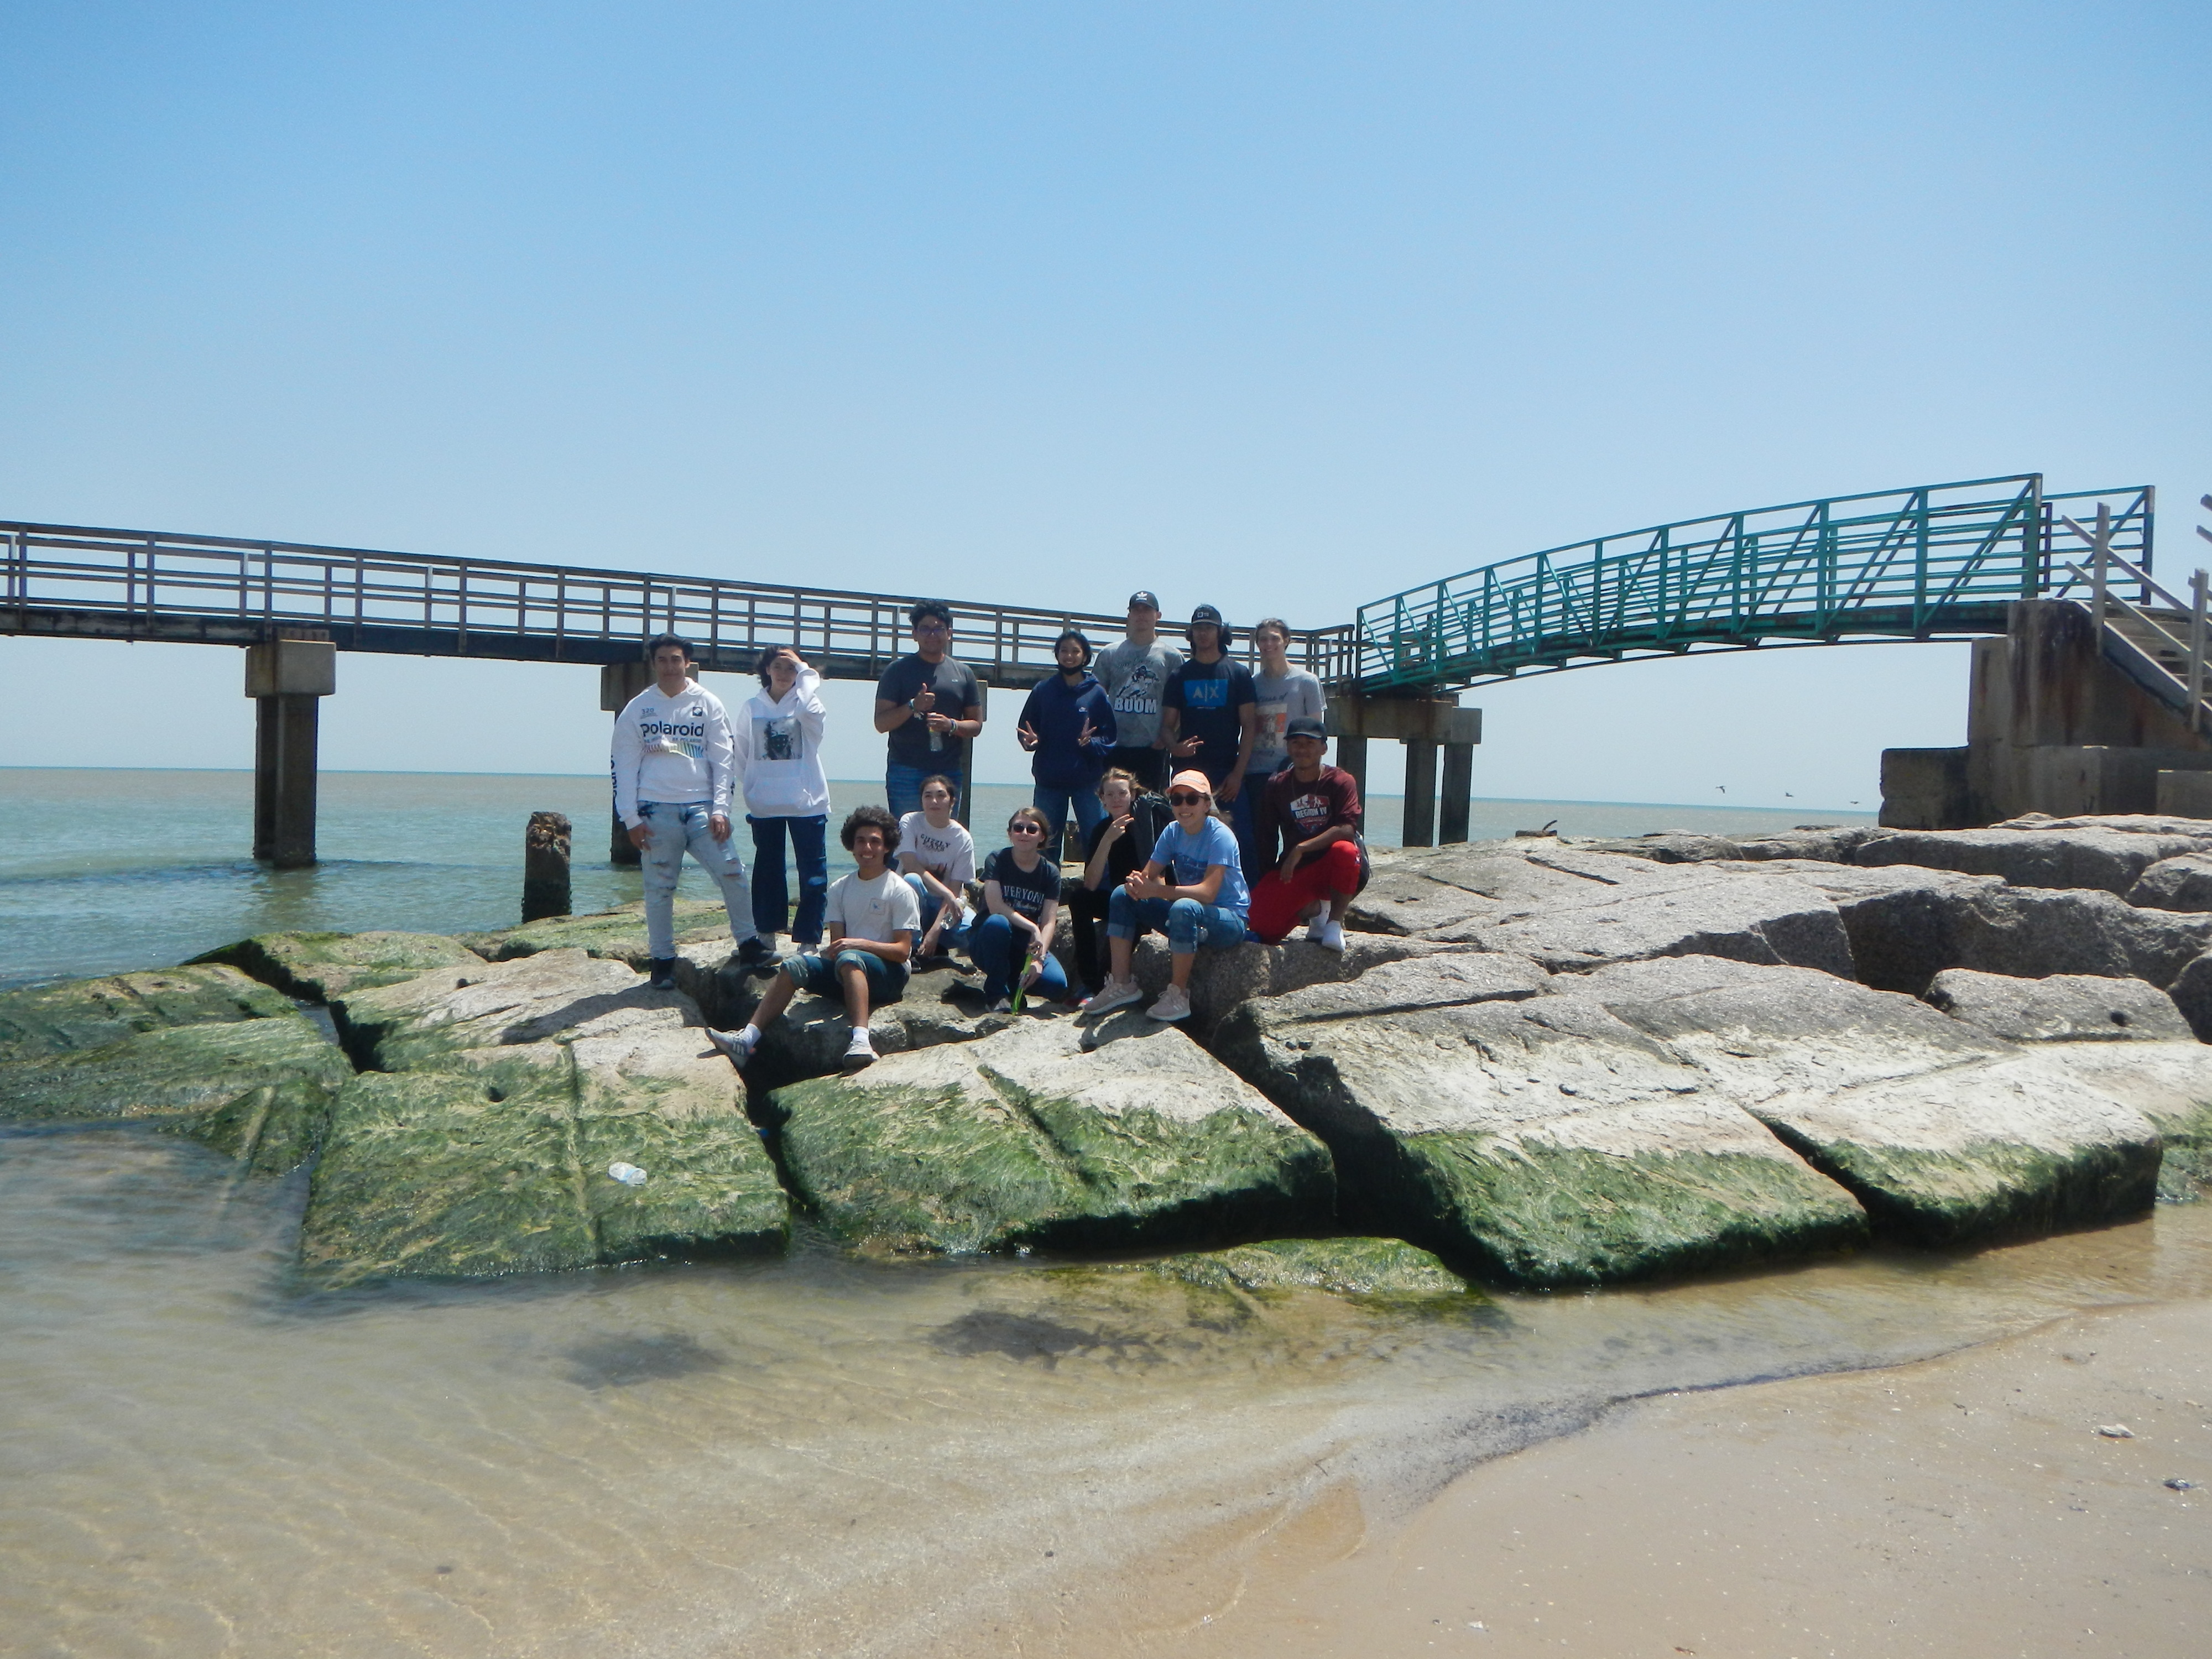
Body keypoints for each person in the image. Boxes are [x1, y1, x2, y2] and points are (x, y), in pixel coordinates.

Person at [611, 634, 772, 991]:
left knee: (732, 871)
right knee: (659, 889)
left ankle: (749, 945)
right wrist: (631, 820)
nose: (670, 666)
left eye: (676, 659)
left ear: (688, 663)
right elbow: (622, 767)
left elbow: (723, 760)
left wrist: (721, 808)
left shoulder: (709, 704)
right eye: (663, 660)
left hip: (702, 810)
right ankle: (663, 962)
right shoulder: (637, 709)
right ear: (654, 664)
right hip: (654, 812)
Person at [708, 805, 920, 1073]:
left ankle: (861, 1041)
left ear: (887, 847)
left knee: (851, 957)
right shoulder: (840, 888)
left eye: (875, 842)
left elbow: (902, 951)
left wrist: (858, 945)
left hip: (889, 975)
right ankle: (748, 1038)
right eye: (861, 841)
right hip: (848, 968)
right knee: (795, 964)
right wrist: (827, 959)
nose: (867, 848)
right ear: (851, 845)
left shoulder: (900, 890)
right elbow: (837, 945)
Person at [1083, 770, 1251, 1024]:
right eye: (1177, 800)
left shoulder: (1220, 836)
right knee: (1121, 895)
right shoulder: (1173, 831)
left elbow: (1208, 893)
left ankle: (1178, 995)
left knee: (1184, 907)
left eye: (1192, 799)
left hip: (1228, 920)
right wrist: (1137, 883)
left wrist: (1157, 891)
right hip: (1190, 915)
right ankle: (1122, 983)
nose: (1184, 806)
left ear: (1207, 804)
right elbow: (1149, 873)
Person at [733, 644, 830, 959]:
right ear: (766, 670)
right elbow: (742, 752)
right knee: (768, 870)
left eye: (792, 667)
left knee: (813, 873)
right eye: (779, 666)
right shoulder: (751, 706)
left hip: (807, 802)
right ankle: (767, 931)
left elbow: (806, 713)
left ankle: (809, 938)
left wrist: (806, 674)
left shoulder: (809, 703)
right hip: (765, 803)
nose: (785, 673)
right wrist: (753, 788)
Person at [1248, 717, 1367, 951]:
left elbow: (1346, 829)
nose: (1302, 749)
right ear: (1288, 747)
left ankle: (1334, 922)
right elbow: (1266, 836)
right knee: (1261, 927)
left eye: (1310, 743)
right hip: (1299, 870)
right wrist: (1268, 882)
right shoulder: (1277, 785)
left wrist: (1301, 848)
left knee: (1345, 849)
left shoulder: (1341, 781)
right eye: (1296, 743)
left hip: (1336, 865)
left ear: (1323, 747)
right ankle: (1314, 909)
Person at [1159, 604, 1259, 874]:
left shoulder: (1238, 674)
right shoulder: (1180, 675)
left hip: (1227, 772)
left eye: (1209, 628)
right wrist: (1174, 746)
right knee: (1186, 837)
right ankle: (1186, 896)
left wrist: (1238, 774)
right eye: (1198, 628)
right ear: (1191, 633)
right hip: (1188, 773)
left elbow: (1250, 726)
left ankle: (1246, 907)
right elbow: (1166, 727)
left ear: (1220, 632)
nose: (1203, 633)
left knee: (1243, 840)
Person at [1065, 768, 1171, 997]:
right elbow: (1091, 884)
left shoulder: (1146, 823)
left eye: (1121, 793)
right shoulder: (1102, 830)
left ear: (1132, 795)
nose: (1116, 800)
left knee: (1124, 909)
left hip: (1144, 898)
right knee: (1079, 899)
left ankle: (1109, 984)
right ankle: (1087, 982)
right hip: (1117, 899)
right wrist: (1108, 841)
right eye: (1109, 795)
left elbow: (1161, 875)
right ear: (1101, 799)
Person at [874, 600, 984, 818]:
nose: (931, 634)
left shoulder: (963, 673)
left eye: (938, 629)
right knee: (905, 839)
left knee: (944, 838)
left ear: (949, 633)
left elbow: (976, 725)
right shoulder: (897, 671)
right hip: (905, 769)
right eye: (924, 629)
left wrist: (951, 725)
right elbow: (881, 723)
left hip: (948, 770)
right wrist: (913, 706)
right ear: (914, 634)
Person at [1016, 629, 1118, 854]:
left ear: (1085, 656)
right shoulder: (1043, 691)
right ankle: (1046, 888)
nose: (1069, 656)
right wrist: (1030, 742)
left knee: (1097, 840)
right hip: (1049, 781)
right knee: (1044, 843)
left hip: (1088, 782)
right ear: (1057, 654)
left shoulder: (1097, 693)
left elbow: (1110, 737)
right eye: (1064, 651)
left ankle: (1099, 889)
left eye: (1075, 651)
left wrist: (1090, 743)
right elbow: (1026, 730)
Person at [968, 805, 1070, 1011]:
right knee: (998, 923)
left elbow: (1050, 920)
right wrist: (1034, 928)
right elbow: (996, 907)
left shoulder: (1050, 872)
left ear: (1041, 836)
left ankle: (1015, 983)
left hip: (1024, 946)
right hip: (990, 939)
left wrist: (1038, 959)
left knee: (1057, 985)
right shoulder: (997, 860)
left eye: (1032, 829)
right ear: (1010, 834)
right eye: (1018, 828)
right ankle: (996, 993)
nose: (1024, 833)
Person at [1094, 591, 1182, 792]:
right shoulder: (1110, 653)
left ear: (1158, 616)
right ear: (1129, 615)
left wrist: (1167, 737)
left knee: (1151, 808)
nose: (1141, 615)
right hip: (1115, 746)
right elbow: (1095, 698)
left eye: (1147, 610)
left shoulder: (1172, 657)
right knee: (1114, 805)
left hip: (1152, 747)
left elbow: (1179, 704)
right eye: (1137, 610)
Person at [898, 774, 975, 959]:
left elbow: (955, 890)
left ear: (952, 801)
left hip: (944, 906)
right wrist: (947, 894)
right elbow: (910, 865)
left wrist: (935, 932)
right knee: (912, 880)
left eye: (941, 796)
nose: (934, 801)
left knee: (974, 931)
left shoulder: (962, 838)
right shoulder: (910, 822)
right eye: (928, 796)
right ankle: (914, 947)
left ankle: (936, 944)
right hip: (913, 901)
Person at [1246, 617, 1327, 785]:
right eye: (1263, 639)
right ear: (1258, 644)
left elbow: (1316, 731)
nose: (1269, 644)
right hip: (1255, 772)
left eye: (1275, 638)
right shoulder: (1252, 684)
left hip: (1292, 770)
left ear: (1286, 641)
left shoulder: (1307, 682)